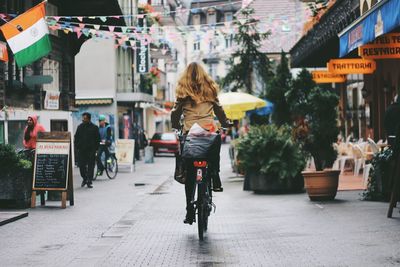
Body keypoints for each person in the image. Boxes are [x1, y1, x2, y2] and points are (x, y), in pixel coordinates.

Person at [171, 62, 230, 224]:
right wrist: (225, 123)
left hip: (190, 133)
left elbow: (175, 113)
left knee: (190, 172)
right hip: (209, 131)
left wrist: (176, 126)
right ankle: (215, 178)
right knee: (213, 157)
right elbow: (219, 110)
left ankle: (190, 210)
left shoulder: (183, 93)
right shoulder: (210, 90)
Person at [74, 112, 100, 188]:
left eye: (84, 118)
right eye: (82, 118)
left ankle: (89, 181)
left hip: (91, 150)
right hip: (81, 150)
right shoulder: (80, 127)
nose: (83, 120)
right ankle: (84, 178)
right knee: (81, 166)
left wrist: (96, 149)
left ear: (89, 119)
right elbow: (76, 137)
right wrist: (77, 146)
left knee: (91, 167)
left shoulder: (94, 127)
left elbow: (97, 139)